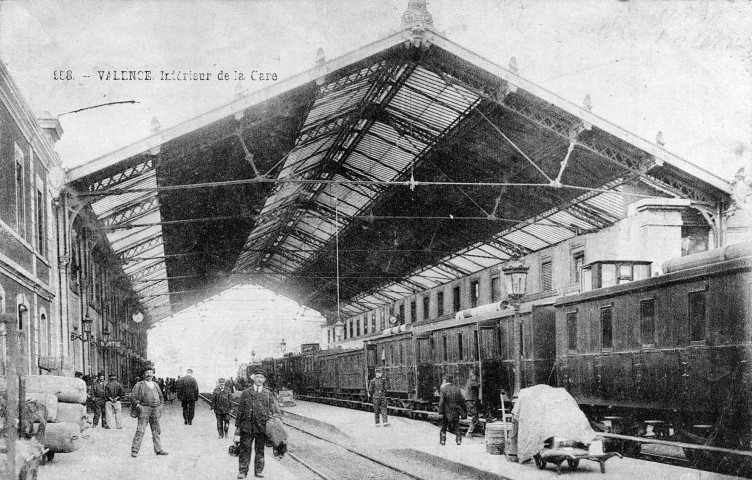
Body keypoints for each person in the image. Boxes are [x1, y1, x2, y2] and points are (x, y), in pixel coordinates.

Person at [234, 368, 280, 479]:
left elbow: (275, 410)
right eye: (257, 377)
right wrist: (237, 428)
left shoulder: (268, 394)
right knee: (245, 449)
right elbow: (240, 411)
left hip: (261, 428)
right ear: (253, 378)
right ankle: (243, 471)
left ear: (264, 380)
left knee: (260, 450)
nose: (259, 379)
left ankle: (258, 471)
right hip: (247, 427)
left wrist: (275, 419)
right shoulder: (246, 393)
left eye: (262, 377)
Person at [130, 367, 169, 457]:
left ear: (153, 374)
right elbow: (133, 397)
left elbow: (161, 396)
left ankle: (158, 449)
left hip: (156, 410)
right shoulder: (139, 385)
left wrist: (161, 405)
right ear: (144, 374)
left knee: (156, 430)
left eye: (151, 373)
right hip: (144, 409)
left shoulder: (156, 384)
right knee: (140, 430)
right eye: (147, 373)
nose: (149, 375)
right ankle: (134, 450)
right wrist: (138, 406)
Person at [438, 373, 466, 445]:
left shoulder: (443, 389)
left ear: (445, 380)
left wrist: (440, 411)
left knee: (444, 425)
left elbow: (442, 401)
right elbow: (462, 400)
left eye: (444, 380)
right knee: (456, 425)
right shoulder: (457, 389)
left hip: (446, 411)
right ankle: (458, 439)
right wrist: (464, 412)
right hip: (455, 411)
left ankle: (443, 440)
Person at [464, 369, 480, 436]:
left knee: (476, 415)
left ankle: (472, 430)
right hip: (471, 401)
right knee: (475, 415)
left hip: (471, 400)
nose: (476, 377)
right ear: (473, 375)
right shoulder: (471, 382)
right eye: (475, 376)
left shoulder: (469, 381)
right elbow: (478, 385)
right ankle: (469, 432)